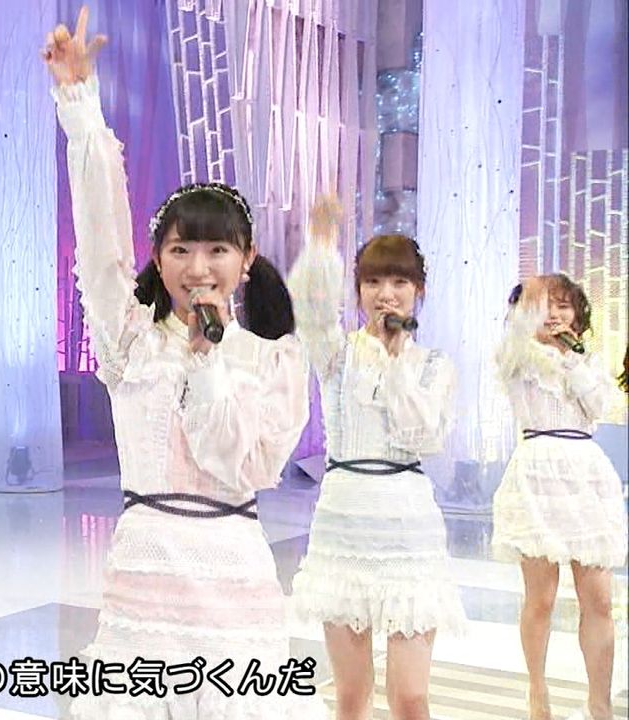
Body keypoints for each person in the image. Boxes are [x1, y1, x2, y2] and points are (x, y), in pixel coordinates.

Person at [45, 9, 324, 718]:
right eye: (180, 250)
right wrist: (80, 107)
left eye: (217, 250)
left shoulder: (273, 359)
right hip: (144, 579)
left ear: (246, 259)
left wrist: (210, 362)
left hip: (235, 582)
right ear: (159, 257)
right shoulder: (131, 339)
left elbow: (248, 466)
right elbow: (99, 241)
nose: (198, 268)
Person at [286, 198, 466, 720]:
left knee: (410, 696)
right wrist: (322, 242)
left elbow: (422, 435)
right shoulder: (337, 352)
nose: (386, 293)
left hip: (408, 529)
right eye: (373, 282)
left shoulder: (433, 365)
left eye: (399, 282)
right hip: (342, 526)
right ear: (359, 290)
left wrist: (395, 360)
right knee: (351, 694)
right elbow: (311, 308)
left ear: (418, 291)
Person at [492, 275, 624, 720]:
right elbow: (512, 344)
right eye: (543, 305)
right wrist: (529, 309)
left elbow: (599, 405)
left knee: (599, 599)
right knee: (541, 599)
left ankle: (600, 703)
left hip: (586, 475)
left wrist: (571, 357)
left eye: (563, 305)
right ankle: (537, 691)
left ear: (578, 315)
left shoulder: (588, 362)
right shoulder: (516, 357)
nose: (553, 314)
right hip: (536, 474)